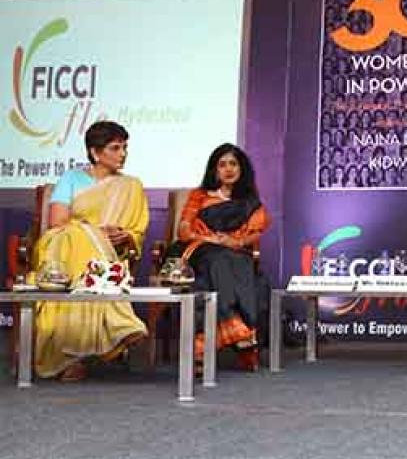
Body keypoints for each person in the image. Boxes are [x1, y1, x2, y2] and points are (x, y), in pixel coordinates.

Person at [34, 121, 148, 380]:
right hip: (66, 249)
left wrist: (125, 235)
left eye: (125, 148)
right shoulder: (71, 178)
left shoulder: (131, 186)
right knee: (79, 237)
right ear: (95, 152)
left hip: (111, 255)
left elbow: (136, 231)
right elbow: (57, 223)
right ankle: (118, 324)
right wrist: (94, 232)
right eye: (115, 148)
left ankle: (76, 355)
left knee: (93, 258)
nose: (123, 154)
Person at [175, 144, 271, 372]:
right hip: (198, 249)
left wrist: (234, 242)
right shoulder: (199, 196)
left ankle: (211, 340)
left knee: (254, 280)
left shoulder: (250, 202)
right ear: (214, 170)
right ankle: (236, 330)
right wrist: (211, 239)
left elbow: (253, 235)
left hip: (234, 253)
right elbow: (184, 230)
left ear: (242, 168)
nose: (228, 169)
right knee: (218, 259)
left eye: (233, 164)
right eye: (222, 164)